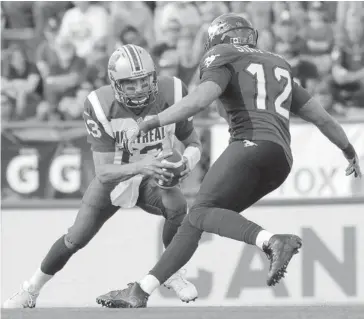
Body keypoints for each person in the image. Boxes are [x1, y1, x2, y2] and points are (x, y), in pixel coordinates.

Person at [98, 14, 362, 308]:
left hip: (249, 145)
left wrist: (152, 122)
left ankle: (271, 241)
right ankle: (141, 290)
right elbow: (322, 118)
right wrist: (349, 150)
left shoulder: (221, 55)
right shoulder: (279, 63)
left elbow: (201, 99)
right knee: (197, 220)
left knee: (200, 212)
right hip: (281, 159)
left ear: (218, 38)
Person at [3, 44, 202, 308]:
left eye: (144, 81)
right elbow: (105, 172)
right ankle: (31, 289)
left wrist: (185, 163)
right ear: (116, 84)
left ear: (154, 77)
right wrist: (143, 166)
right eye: (131, 84)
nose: (140, 89)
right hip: (116, 179)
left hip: (153, 177)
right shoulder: (100, 104)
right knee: (76, 237)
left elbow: (194, 144)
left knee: (178, 206)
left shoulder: (173, 91)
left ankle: (172, 272)